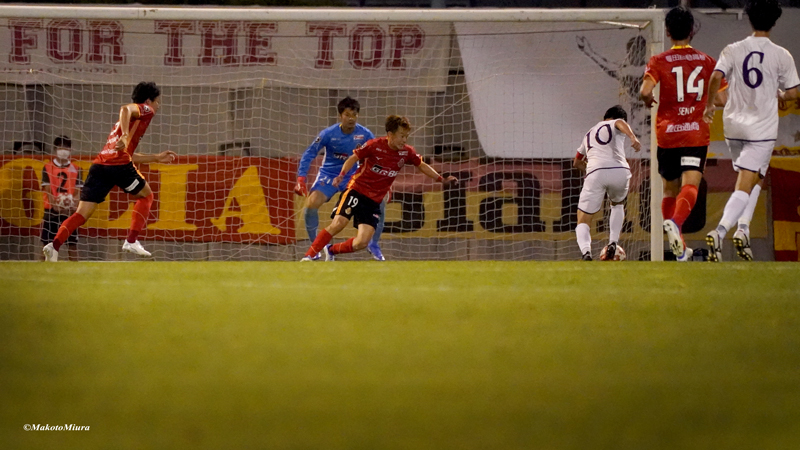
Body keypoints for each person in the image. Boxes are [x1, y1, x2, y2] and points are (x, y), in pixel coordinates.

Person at [703, 0, 799, 262]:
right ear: (775, 22)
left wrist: (711, 105)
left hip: (733, 126)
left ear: (749, 20)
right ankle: (721, 231)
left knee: (754, 176)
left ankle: (743, 229)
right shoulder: (781, 54)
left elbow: (714, 78)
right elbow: (793, 92)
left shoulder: (733, 49)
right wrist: (780, 93)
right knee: (747, 182)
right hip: (761, 129)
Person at [42, 82, 177, 262]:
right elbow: (125, 109)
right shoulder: (146, 110)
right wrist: (126, 136)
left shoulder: (121, 126)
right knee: (146, 196)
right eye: (157, 101)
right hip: (118, 165)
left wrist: (156, 157)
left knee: (81, 214)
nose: (158, 106)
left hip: (100, 166)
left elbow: (127, 154)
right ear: (148, 101)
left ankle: (54, 246)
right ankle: (131, 240)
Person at [300, 115, 457, 261]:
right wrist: (342, 174)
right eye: (401, 136)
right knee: (338, 224)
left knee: (362, 242)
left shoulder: (407, 152)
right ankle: (309, 256)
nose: (404, 140)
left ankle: (332, 250)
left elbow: (421, 165)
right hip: (357, 191)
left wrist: (441, 179)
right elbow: (354, 157)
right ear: (390, 134)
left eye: (406, 136)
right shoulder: (374, 145)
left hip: (373, 201)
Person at [640, 6, 725, 262]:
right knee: (691, 185)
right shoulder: (708, 61)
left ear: (667, 32)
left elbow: (645, 91)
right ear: (692, 31)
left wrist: (647, 101)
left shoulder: (658, 61)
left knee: (669, 189)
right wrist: (708, 102)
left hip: (668, 135)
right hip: (694, 134)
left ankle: (679, 248)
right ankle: (676, 225)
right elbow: (722, 98)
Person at [295, 97, 388, 261]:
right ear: (340, 116)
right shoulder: (328, 134)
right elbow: (310, 153)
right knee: (311, 204)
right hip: (330, 175)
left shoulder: (365, 134)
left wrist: (383, 183)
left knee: (380, 201)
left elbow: (377, 158)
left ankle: (374, 243)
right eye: (347, 114)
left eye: (354, 115)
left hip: (354, 177)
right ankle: (315, 248)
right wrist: (301, 179)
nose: (351, 118)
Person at [573, 105, 641, 261]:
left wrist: (590, 171)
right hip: (620, 171)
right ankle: (613, 242)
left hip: (596, 172)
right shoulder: (616, 122)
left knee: (583, 218)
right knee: (617, 204)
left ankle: (586, 252)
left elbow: (576, 162)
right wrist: (632, 137)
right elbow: (619, 123)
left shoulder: (589, 133)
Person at [40, 135, 83, 261]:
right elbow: (47, 190)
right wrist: (56, 205)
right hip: (51, 211)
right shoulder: (47, 167)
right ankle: (40, 270)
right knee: (46, 245)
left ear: (70, 150)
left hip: (69, 212)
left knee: (72, 245)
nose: (63, 151)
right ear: (55, 149)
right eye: (60, 148)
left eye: (65, 148)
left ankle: (76, 274)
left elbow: (78, 191)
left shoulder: (76, 169)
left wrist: (71, 204)